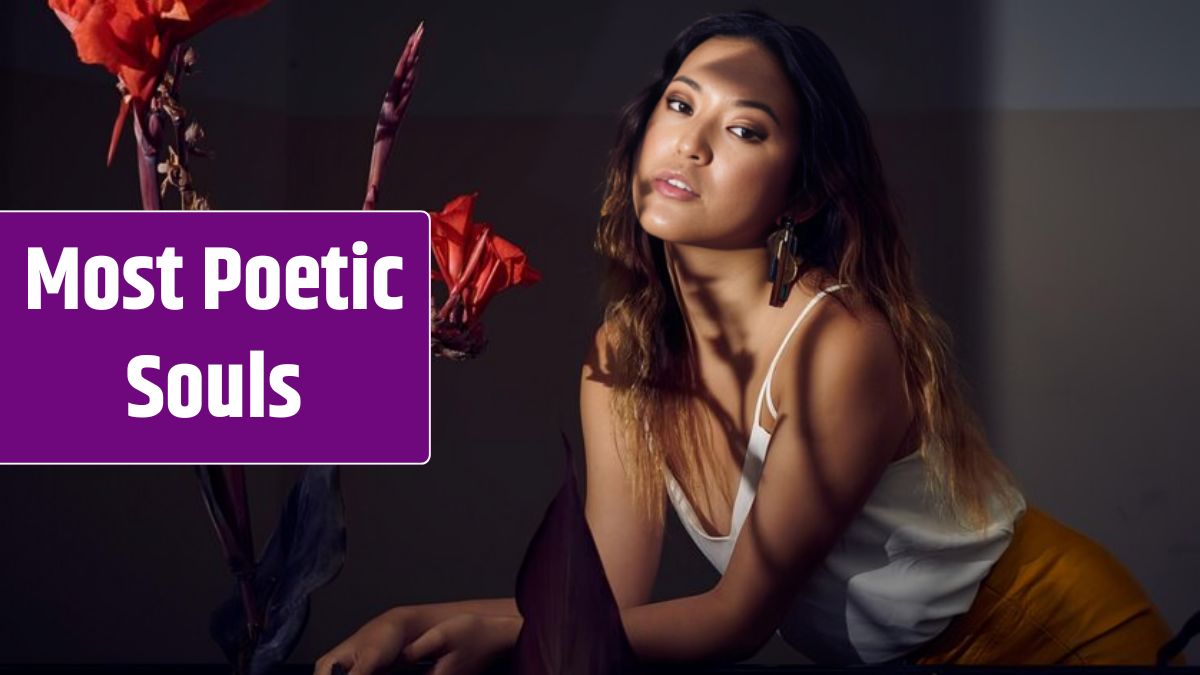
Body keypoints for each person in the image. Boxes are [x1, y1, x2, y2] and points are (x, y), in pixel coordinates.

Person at [316, 10, 1182, 673]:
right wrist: (415, 622)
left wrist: (494, 635)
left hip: (1060, 633)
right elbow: (601, 602)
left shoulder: (839, 342)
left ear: (800, 197)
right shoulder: (622, 357)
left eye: (744, 128)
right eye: (680, 103)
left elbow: (734, 620)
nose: (689, 142)